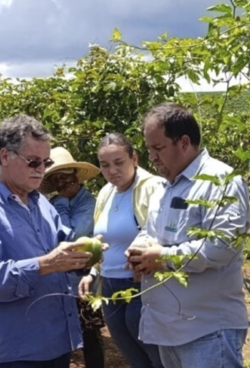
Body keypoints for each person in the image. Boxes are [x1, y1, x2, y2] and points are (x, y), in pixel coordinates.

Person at [0, 113, 104, 368]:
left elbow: (62, 243)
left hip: (57, 340)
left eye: (45, 162)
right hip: (17, 350)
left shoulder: (40, 202)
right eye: (33, 162)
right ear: (5, 156)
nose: (42, 170)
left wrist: (84, 254)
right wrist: (46, 264)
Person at [126, 102, 250, 368]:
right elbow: (149, 231)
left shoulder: (221, 181)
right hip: (168, 330)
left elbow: (222, 246)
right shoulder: (163, 187)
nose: (153, 157)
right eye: (149, 149)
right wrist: (139, 251)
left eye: (158, 148)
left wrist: (163, 257)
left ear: (184, 142)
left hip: (206, 330)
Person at [78, 133, 165, 368]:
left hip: (140, 284)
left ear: (134, 158)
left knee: (155, 353)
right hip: (109, 284)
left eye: (119, 162)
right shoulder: (106, 192)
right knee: (130, 352)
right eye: (105, 165)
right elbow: (104, 240)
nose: (112, 170)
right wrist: (94, 273)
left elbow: (160, 231)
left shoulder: (152, 187)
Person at [39, 146, 104, 368]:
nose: (61, 183)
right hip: (60, 278)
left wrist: (63, 203)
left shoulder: (88, 204)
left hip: (82, 280)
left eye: (64, 176)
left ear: (75, 176)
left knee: (90, 335)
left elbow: (71, 236)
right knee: (61, 334)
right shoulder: (54, 203)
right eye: (56, 178)